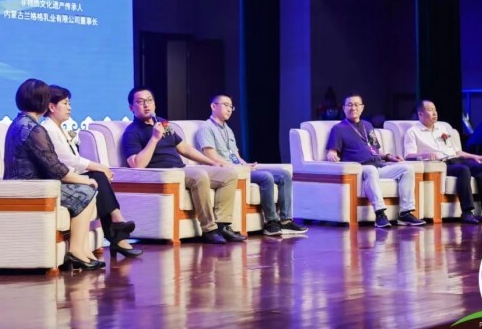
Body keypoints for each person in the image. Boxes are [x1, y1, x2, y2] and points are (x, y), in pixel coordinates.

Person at [121, 87, 246, 244]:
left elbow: (184, 148)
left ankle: (223, 225)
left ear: (154, 104)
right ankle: (209, 229)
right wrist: (154, 139)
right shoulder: (131, 132)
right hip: (165, 173)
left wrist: (213, 162)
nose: (146, 105)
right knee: (199, 175)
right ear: (131, 108)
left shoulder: (162, 122)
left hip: (181, 168)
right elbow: (137, 164)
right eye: (140, 102)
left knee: (229, 174)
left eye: (149, 100)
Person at [3, 79, 103, 270]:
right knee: (86, 192)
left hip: (24, 184)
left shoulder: (18, 123)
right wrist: (85, 180)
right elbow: (56, 168)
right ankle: (76, 251)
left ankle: (81, 250)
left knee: (85, 189)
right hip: (32, 188)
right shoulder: (34, 129)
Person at [42, 85, 142, 258]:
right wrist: (100, 166)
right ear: (51, 107)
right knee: (99, 175)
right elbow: (69, 160)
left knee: (99, 178)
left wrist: (98, 169)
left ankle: (118, 233)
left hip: (69, 173)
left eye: (69, 103)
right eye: (65, 103)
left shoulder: (59, 128)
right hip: (57, 177)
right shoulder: (48, 129)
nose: (69, 107)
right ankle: (118, 228)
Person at [195, 93, 307, 236]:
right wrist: (238, 168)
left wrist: (246, 164)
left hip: (239, 169)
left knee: (284, 174)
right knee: (266, 177)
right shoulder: (206, 128)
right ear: (213, 106)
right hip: (226, 172)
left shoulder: (228, 130)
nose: (229, 109)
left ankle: (285, 221)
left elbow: (235, 156)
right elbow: (211, 156)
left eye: (231, 107)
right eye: (226, 105)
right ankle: (271, 222)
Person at [326, 92, 425, 228]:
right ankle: (380, 214)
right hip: (360, 169)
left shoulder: (368, 126)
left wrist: (389, 156)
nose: (353, 108)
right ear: (343, 108)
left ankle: (405, 213)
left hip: (379, 166)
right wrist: (332, 155)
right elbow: (332, 151)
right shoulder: (338, 129)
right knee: (371, 170)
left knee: (407, 169)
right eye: (349, 105)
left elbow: (376, 150)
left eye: (356, 105)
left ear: (362, 108)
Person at [403, 100, 482, 224]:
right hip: (441, 164)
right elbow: (408, 155)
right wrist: (425, 154)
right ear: (420, 114)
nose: (434, 113)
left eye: (435, 110)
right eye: (430, 110)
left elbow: (456, 151)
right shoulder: (413, 132)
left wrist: (475, 156)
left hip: (456, 159)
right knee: (463, 170)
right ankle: (467, 213)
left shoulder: (442, 128)